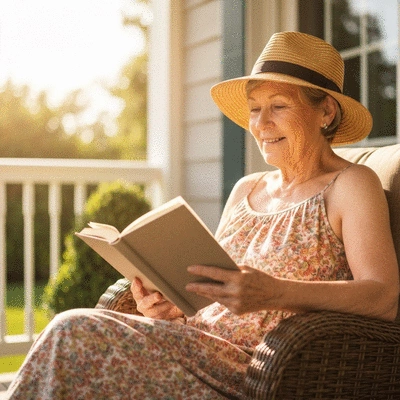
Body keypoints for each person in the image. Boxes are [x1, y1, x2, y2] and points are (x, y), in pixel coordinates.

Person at [7, 31, 399, 399]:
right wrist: (169, 307)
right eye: (255, 109)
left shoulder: (351, 184)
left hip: (251, 368)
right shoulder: (247, 188)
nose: (261, 125)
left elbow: (384, 297)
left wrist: (275, 292)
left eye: (278, 106)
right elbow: (209, 292)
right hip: (190, 346)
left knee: (71, 332)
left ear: (326, 111)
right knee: (74, 347)